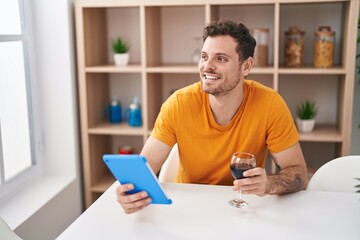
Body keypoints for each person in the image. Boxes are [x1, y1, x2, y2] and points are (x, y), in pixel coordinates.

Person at [116, 19, 308, 214]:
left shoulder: (270, 105)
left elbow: (298, 173)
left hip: (242, 207)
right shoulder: (178, 103)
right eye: (204, 56)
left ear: (246, 66)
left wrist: (269, 184)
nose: (207, 67)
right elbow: (143, 172)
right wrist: (129, 193)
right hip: (189, 208)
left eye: (221, 59)